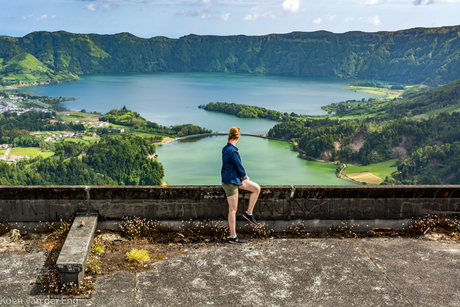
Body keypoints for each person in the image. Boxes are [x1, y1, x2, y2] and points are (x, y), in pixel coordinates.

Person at [221, 127, 261, 244]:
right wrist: (245, 176)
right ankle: (233, 237)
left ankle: (249, 213)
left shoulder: (226, 148)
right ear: (238, 137)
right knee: (232, 210)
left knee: (256, 188)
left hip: (235, 179)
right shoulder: (232, 151)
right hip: (230, 182)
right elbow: (239, 166)